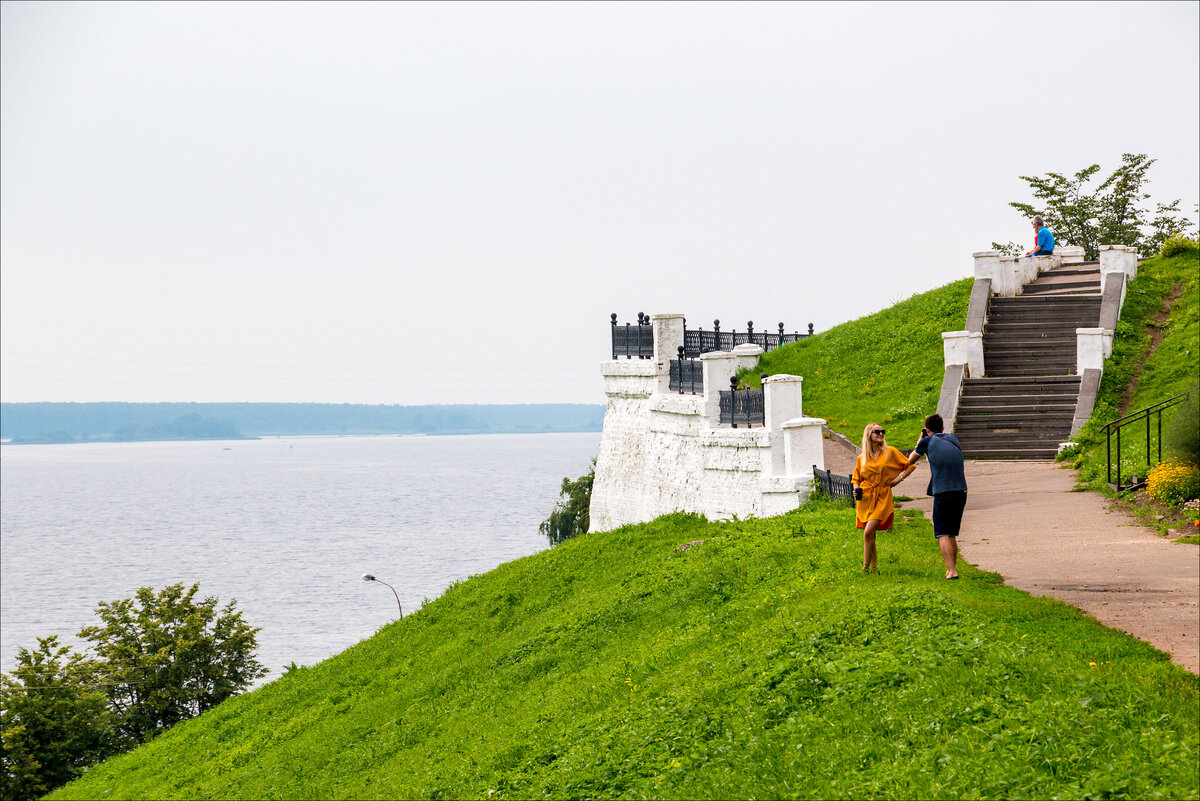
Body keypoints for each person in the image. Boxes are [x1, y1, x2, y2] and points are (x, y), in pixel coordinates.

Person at [906, 413, 968, 579]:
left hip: (943, 491)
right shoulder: (954, 439)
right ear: (942, 427)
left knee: (941, 533)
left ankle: (952, 571)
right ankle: (951, 569)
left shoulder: (927, 441)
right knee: (951, 533)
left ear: (927, 430)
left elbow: (910, 461)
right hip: (961, 490)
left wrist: (920, 442)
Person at [851, 424, 915, 572]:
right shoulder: (862, 458)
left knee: (868, 532)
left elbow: (909, 466)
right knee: (870, 534)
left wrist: (898, 480)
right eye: (877, 431)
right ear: (869, 435)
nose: (881, 434)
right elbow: (856, 478)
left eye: (882, 431)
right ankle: (874, 568)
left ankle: (865, 567)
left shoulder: (890, 452)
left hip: (882, 496)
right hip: (865, 497)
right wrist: (856, 490)